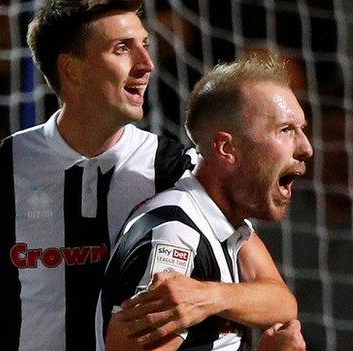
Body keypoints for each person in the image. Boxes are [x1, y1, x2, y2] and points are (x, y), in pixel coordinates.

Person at [0, 1, 296, 350]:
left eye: (145, 45)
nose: (147, 64)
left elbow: (277, 296)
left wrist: (208, 297)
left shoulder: (175, 169)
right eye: (123, 48)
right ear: (71, 69)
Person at [98, 55, 311, 350]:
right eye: (286, 130)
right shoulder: (176, 237)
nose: (306, 148)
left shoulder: (225, 222)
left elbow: (282, 301)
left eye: (302, 129)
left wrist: (210, 297)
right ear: (227, 148)